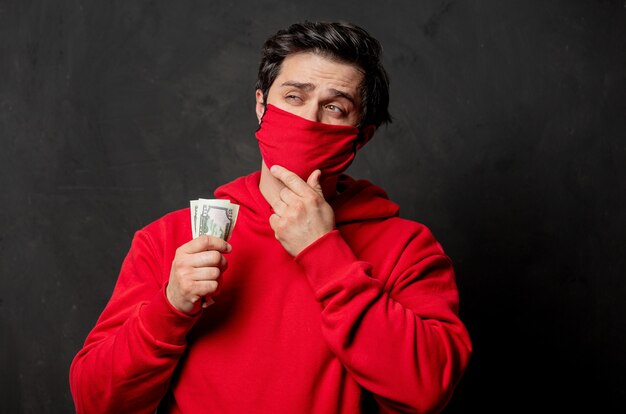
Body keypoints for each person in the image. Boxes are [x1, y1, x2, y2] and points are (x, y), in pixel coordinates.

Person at [70, 21, 472, 413]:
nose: (308, 120)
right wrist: (171, 307)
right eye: (294, 97)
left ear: (361, 135)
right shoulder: (168, 239)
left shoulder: (406, 248)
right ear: (261, 105)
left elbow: (426, 391)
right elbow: (95, 401)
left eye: (334, 107)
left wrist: (324, 253)